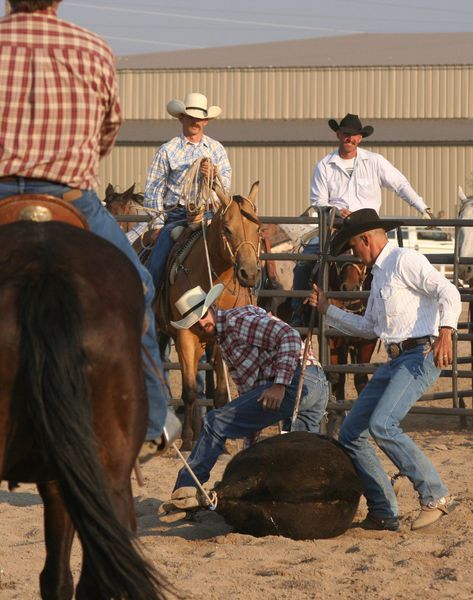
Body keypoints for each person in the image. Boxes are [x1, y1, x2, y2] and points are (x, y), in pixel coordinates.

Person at [0, 0, 167, 443]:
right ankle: (152, 421)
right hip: (69, 197)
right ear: (56, 1)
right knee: (140, 286)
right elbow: (108, 129)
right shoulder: (92, 47)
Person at [309, 208, 462, 531]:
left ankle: (435, 494)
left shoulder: (406, 260)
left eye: (353, 246)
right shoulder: (379, 274)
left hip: (420, 354)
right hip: (396, 360)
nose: (353, 254)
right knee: (351, 433)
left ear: (366, 239)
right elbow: (369, 327)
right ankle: (383, 510)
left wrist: (446, 330)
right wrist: (327, 310)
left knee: (382, 424)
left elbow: (448, 291)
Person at [164, 283, 329, 510]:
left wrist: (280, 385)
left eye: (203, 315)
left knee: (214, 421)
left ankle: (185, 491)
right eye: (195, 323)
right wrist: (247, 452)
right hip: (316, 383)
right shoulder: (229, 336)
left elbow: (289, 336)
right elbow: (250, 400)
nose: (202, 323)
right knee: (296, 458)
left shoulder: (236, 322)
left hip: (297, 381)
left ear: (212, 307)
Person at [291, 113, 432, 326]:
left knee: (394, 263)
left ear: (360, 138)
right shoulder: (325, 165)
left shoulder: (375, 162)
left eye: (354, 135)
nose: (350, 139)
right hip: (336, 227)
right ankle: (298, 315)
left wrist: (422, 206)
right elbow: (317, 201)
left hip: (369, 228)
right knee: (304, 262)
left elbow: (400, 184)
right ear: (338, 135)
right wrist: (336, 212)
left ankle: (399, 314)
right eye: (346, 134)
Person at [127, 92, 232, 289]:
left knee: (237, 255)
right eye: (191, 117)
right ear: (181, 118)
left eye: (200, 119)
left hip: (209, 213)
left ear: (206, 121)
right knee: (158, 260)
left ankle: (245, 298)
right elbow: (153, 190)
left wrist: (213, 177)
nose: (195, 122)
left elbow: (225, 188)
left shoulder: (216, 150)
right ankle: (153, 297)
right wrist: (158, 224)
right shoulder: (168, 150)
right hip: (176, 215)